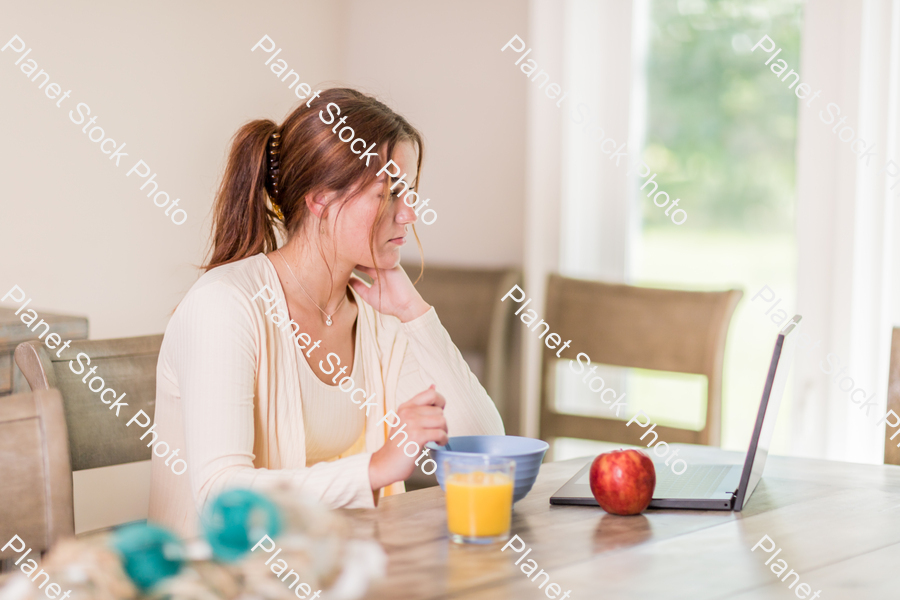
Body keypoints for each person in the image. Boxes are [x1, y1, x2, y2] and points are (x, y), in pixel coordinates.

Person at [147, 88, 505, 535]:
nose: (409, 213)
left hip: (335, 571)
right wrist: (374, 469)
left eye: (409, 191)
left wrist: (413, 311)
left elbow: (481, 445)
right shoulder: (225, 305)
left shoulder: (377, 314)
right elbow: (222, 495)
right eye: (390, 191)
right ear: (320, 198)